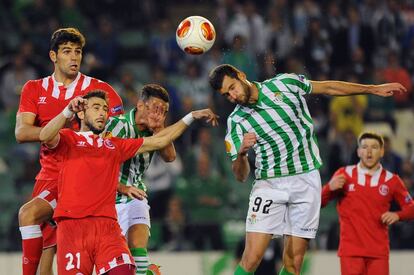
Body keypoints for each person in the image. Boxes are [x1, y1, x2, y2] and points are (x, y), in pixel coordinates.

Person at [207, 64, 406, 275]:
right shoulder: (236, 122)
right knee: (251, 257)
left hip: (306, 179)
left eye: (232, 87)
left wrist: (372, 89)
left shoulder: (285, 84)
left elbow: (329, 88)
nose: (233, 96)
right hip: (269, 183)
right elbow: (241, 175)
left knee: (293, 262)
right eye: (227, 95)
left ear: (241, 75)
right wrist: (241, 153)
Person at [38, 90, 218, 274]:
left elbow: (161, 142)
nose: (102, 113)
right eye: (96, 107)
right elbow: (45, 136)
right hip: (74, 225)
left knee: (125, 269)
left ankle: (141, 270)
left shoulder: (113, 145)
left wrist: (191, 116)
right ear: (82, 113)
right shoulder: (69, 139)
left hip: (107, 225)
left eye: (105, 109)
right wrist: (67, 111)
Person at [15, 27, 124, 275]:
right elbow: (21, 132)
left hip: (79, 178)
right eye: (67, 52)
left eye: (78, 52)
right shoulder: (35, 88)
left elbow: (116, 134)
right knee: (45, 254)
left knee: (28, 214)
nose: (74, 58)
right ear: (53, 56)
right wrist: (56, 129)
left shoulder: (100, 90)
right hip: (48, 177)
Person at [104, 84, 175, 275]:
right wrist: (120, 187)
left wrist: (160, 128)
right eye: (155, 108)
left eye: (164, 111)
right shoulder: (117, 126)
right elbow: (98, 167)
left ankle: (144, 270)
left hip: (135, 194)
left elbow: (170, 157)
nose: (158, 114)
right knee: (114, 264)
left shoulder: (155, 131)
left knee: (138, 247)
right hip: (107, 199)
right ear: (140, 105)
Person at [321, 132, 414, 275]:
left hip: (378, 253)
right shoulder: (343, 174)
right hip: (351, 253)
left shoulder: (392, 180)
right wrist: (328, 188)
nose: (369, 152)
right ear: (358, 151)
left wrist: (398, 215)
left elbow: (411, 208)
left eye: (374, 147)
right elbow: (319, 203)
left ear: (382, 152)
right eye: (364, 147)